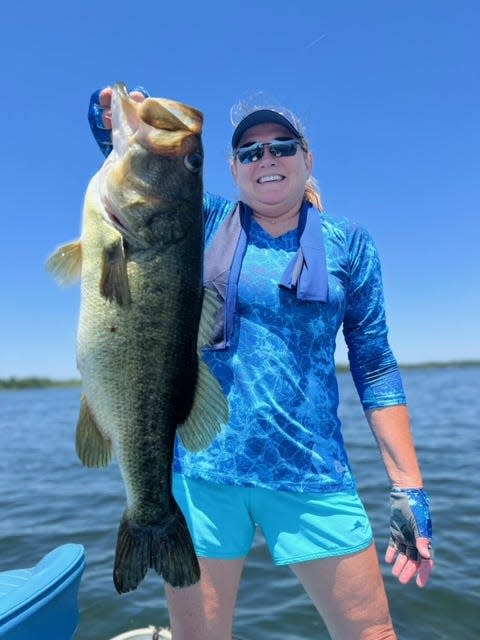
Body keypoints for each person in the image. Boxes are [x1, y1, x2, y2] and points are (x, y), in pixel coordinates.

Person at [88, 86, 434, 640]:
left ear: (307, 158)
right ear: (233, 169)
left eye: (281, 146)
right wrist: (111, 127)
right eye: (250, 152)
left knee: (373, 634)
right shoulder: (200, 221)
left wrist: (408, 487)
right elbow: (145, 198)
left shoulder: (350, 244)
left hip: (311, 472)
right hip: (203, 473)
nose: (266, 159)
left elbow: (374, 366)